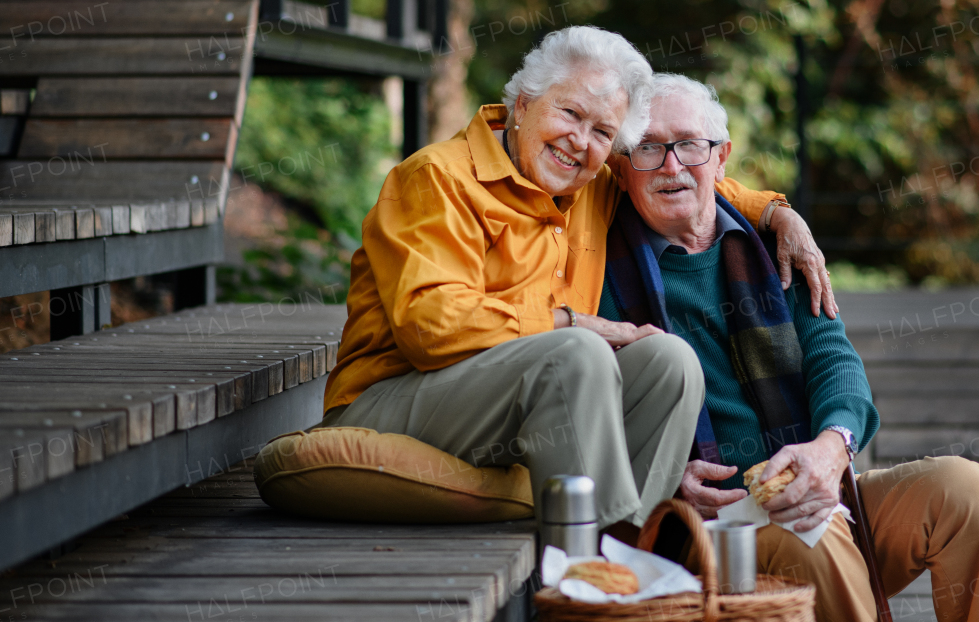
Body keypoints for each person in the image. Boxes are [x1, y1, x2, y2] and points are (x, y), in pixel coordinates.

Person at [320, 26, 834, 532]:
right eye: (569, 113)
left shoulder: (590, 182)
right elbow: (428, 327)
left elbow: (684, 177)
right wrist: (573, 322)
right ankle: (589, 577)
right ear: (523, 104)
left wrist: (777, 214)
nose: (580, 142)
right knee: (577, 350)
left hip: (523, 406)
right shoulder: (435, 179)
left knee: (670, 359)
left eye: (603, 133)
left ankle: (632, 543)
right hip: (395, 399)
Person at [597, 73, 979, 622]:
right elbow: (594, 408)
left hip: (814, 489)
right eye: (647, 148)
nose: (670, 165)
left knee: (962, 489)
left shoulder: (774, 250)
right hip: (711, 532)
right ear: (624, 166)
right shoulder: (603, 269)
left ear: (721, 157)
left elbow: (835, 361)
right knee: (810, 538)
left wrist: (830, 448)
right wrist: (659, 477)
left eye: (689, 145)